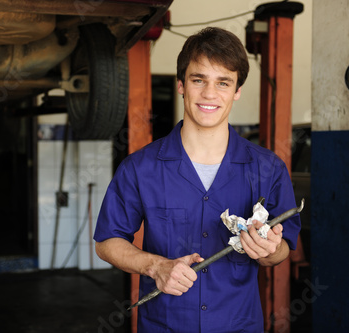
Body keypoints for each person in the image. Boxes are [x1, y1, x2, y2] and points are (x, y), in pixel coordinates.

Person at [93, 27, 301, 333]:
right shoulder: (140, 167)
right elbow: (106, 242)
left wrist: (270, 249)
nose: (209, 94)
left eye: (223, 82)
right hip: (165, 325)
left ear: (236, 90)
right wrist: (156, 266)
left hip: (238, 325)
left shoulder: (268, 168)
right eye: (198, 79)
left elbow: (283, 250)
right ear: (181, 84)